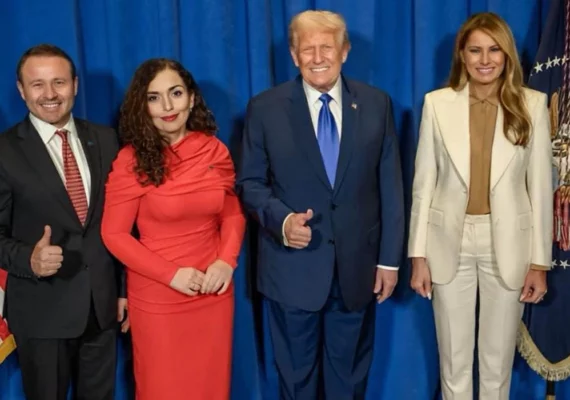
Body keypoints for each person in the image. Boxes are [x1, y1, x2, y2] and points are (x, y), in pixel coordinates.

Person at [237, 10, 404, 399]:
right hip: (291, 271)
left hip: (357, 272)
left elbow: (391, 187)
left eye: (326, 47)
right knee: (296, 384)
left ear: (344, 51)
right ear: (293, 55)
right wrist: (282, 222)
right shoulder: (265, 108)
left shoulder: (376, 104)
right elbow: (250, 183)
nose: (317, 58)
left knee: (349, 382)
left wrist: (389, 261)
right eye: (307, 49)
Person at [408, 12, 552, 400]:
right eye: (475, 50)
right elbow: (423, 185)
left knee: (496, 363)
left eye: (494, 50)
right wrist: (418, 255)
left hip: (508, 245)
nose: (485, 60)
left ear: (507, 55)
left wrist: (539, 263)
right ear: (462, 54)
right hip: (447, 242)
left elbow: (541, 188)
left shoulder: (532, 105)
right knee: (453, 362)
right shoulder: (437, 104)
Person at [101, 58, 245, 400]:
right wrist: (171, 275)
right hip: (159, 298)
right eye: (154, 97)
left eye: (175, 93)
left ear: (191, 99)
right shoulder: (131, 160)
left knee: (210, 387)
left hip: (213, 292)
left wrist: (226, 262)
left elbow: (232, 214)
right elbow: (114, 234)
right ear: (143, 106)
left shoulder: (214, 149)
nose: (167, 106)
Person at [0, 44, 127, 400]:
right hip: (41, 313)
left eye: (58, 82)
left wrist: (122, 289)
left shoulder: (107, 139)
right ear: (21, 90)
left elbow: (121, 223)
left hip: (101, 310)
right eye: (37, 84)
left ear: (75, 85)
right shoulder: (4, 151)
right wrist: (29, 258)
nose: (50, 94)